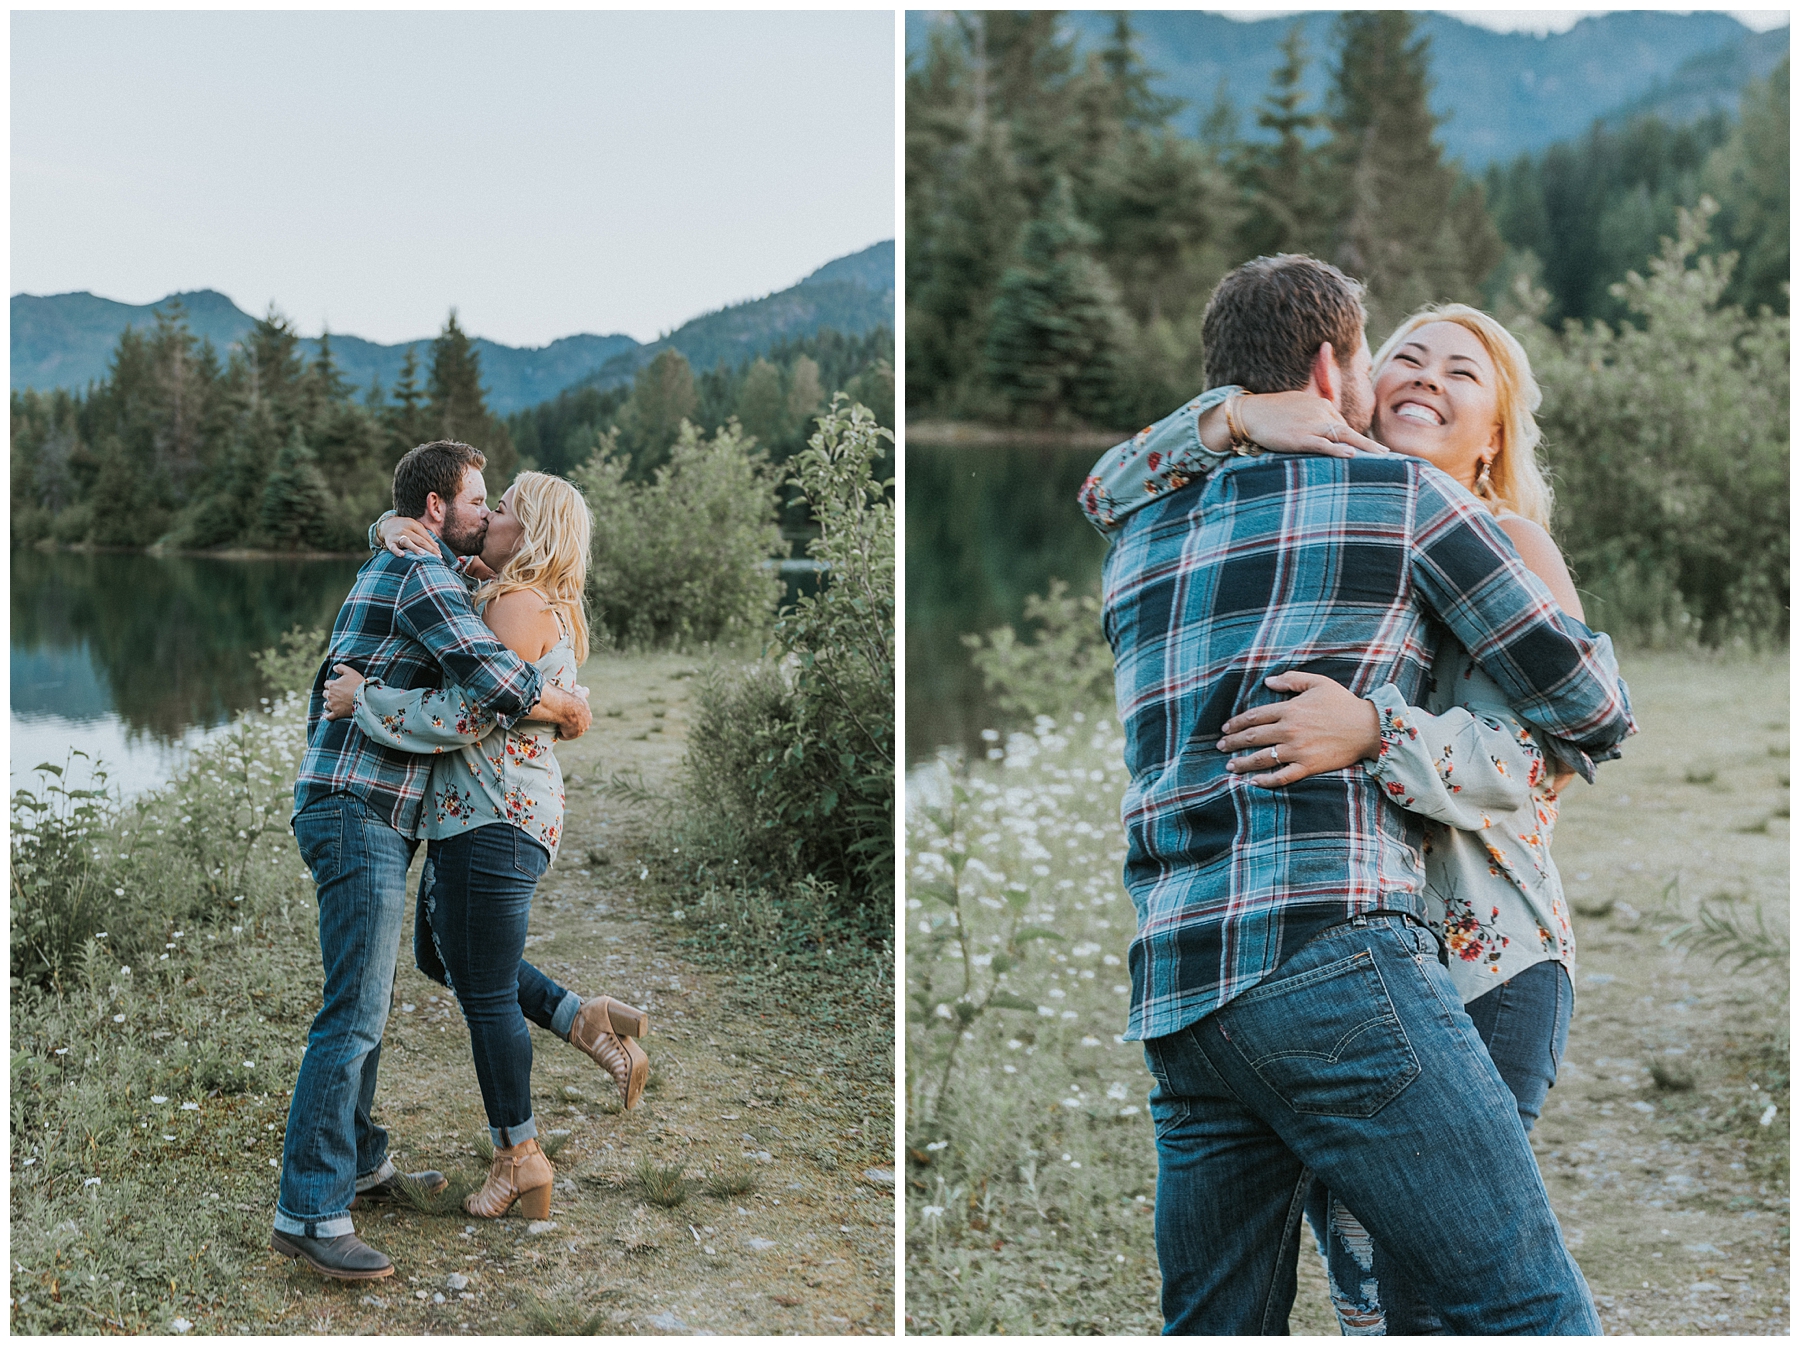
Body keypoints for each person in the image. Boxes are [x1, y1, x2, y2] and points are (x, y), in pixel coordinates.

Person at [1077, 255, 1633, 1334]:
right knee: (1512, 1305)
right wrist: (1236, 416)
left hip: (1218, 979)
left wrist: (1378, 728)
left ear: (1498, 430)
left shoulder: (1141, 534)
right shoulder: (1399, 498)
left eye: (1457, 369)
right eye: (1399, 354)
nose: (1416, 376)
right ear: (1337, 376)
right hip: (1338, 952)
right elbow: (1596, 701)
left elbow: (1563, 750)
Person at [273, 440, 594, 1282]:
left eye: (497, 503)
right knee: (354, 1009)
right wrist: (561, 702)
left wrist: (389, 527)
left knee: (369, 998)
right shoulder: (423, 573)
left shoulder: (431, 564)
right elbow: (492, 682)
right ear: (433, 511)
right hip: (356, 806)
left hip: (378, 811)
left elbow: (484, 672)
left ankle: (361, 1162)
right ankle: (309, 1209)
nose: (488, 513)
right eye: (478, 501)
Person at [322, 473, 648, 1222]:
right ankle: (582, 1018)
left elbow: (468, 715)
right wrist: (388, 527)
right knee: (445, 955)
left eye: (500, 509)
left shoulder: (512, 603)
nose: (488, 516)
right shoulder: (518, 595)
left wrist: (362, 700)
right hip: (491, 811)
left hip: (493, 814)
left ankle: (519, 1157)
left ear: (524, 531)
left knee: (488, 989)